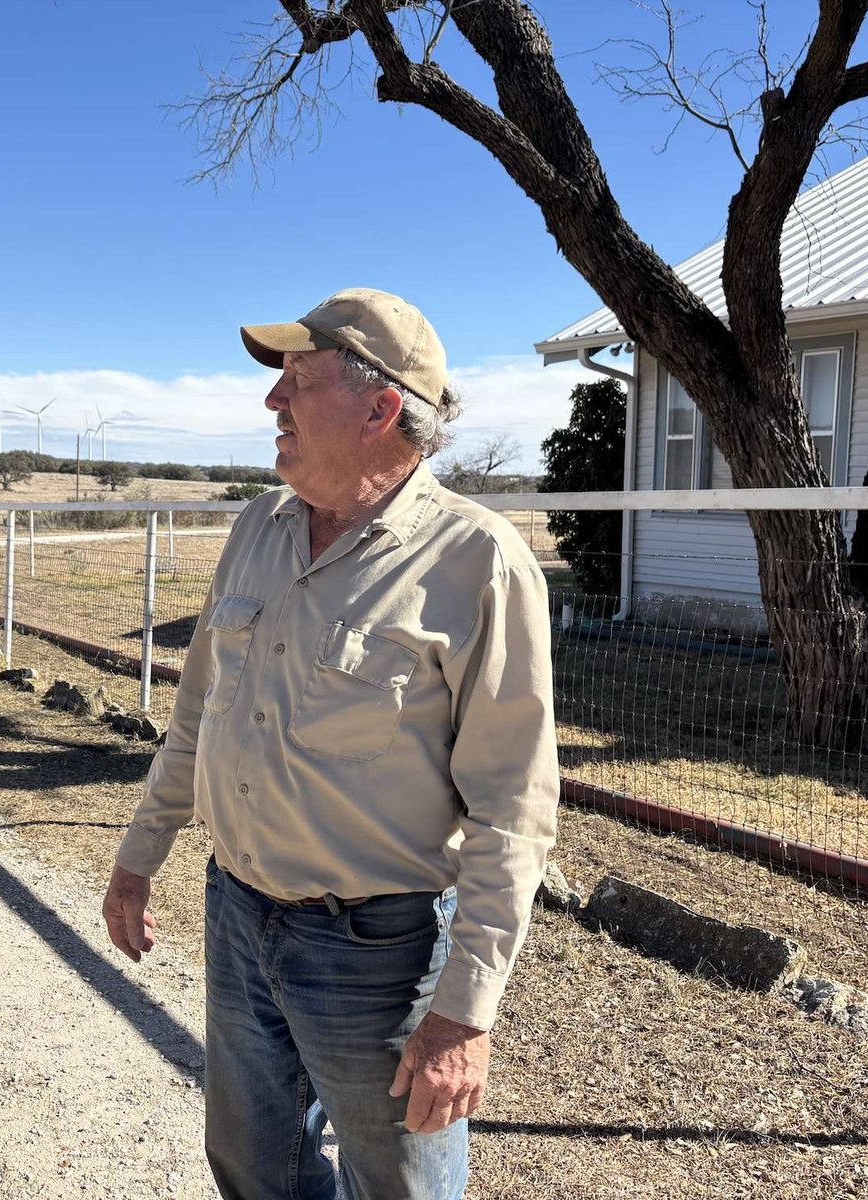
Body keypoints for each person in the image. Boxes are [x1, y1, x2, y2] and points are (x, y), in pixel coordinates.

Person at [103, 287, 558, 1199]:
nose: (273, 402)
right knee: (251, 1168)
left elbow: (515, 808)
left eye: (298, 381)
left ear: (381, 407)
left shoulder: (476, 559)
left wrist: (463, 1017)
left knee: (399, 1187)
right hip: (237, 915)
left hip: (376, 952)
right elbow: (198, 713)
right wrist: (138, 856)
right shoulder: (256, 529)